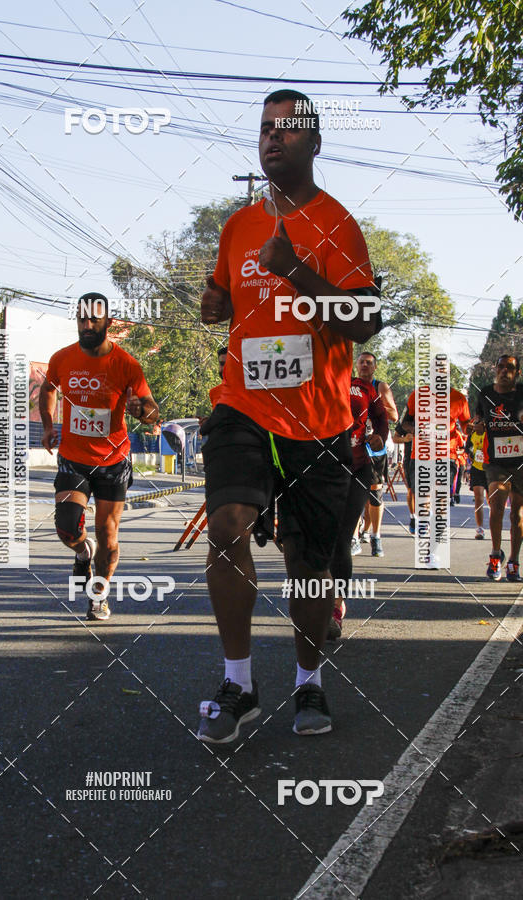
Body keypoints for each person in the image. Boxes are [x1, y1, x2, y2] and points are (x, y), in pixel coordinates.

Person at [198, 89, 381, 742]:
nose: (273, 137)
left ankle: (309, 680)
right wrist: (215, 303)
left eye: (289, 128)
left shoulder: (338, 225)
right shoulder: (238, 226)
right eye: (265, 129)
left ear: (315, 143)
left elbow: (365, 321)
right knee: (227, 525)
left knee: (309, 565)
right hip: (242, 403)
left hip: (317, 420)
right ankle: (239, 683)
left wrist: (297, 269)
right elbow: (220, 295)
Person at [39, 292, 159, 620]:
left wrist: (140, 410)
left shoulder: (127, 364)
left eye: (94, 319)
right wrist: (48, 426)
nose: (87, 325)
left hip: (113, 461)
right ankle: (82, 552)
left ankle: (99, 595)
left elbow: (153, 413)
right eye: (82, 319)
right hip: (73, 457)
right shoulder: (62, 358)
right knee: (67, 527)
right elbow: (48, 388)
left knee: (107, 534)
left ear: (109, 322)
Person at [328, 372, 388, 639]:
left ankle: (335, 607)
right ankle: (318, 599)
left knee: (342, 537)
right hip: (320, 470)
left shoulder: (363, 388)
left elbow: (381, 416)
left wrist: (380, 436)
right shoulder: (313, 380)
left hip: (356, 468)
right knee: (321, 537)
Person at [471, 354, 523, 581]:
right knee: (496, 506)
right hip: (495, 461)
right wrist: (478, 425)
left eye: (509, 367)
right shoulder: (485, 393)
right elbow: (478, 419)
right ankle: (495, 555)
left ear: (517, 372)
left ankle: (513, 561)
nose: (504, 371)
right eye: (500, 366)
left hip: (521, 461)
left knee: (517, 514)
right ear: (495, 369)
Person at [401, 385, 470, 543]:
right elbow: (405, 423)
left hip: (447, 454)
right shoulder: (417, 395)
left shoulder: (459, 399)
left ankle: (438, 526)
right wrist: (417, 430)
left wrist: (471, 428)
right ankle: (425, 521)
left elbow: (466, 425)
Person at [354, 351, 398, 557]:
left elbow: (394, 415)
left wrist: (374, 406)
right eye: (361, 362)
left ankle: (375, 535)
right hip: (355, 443)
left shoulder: (380, 387)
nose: (365, 365)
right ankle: (355, 536)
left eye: (369, 363)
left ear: (375, 367)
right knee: (354, 490)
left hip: (375, 444)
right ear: (356, 365)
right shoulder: (350, 385)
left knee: (374, 491)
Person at [465, 428, 488, 539]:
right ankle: (480, 528)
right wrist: (470, 453)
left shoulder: (491, 431)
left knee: (493, 501)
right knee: (478, 498)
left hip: (491, 469)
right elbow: (468, 448)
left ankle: (495, 526)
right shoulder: (473, 433)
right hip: (477, 469)